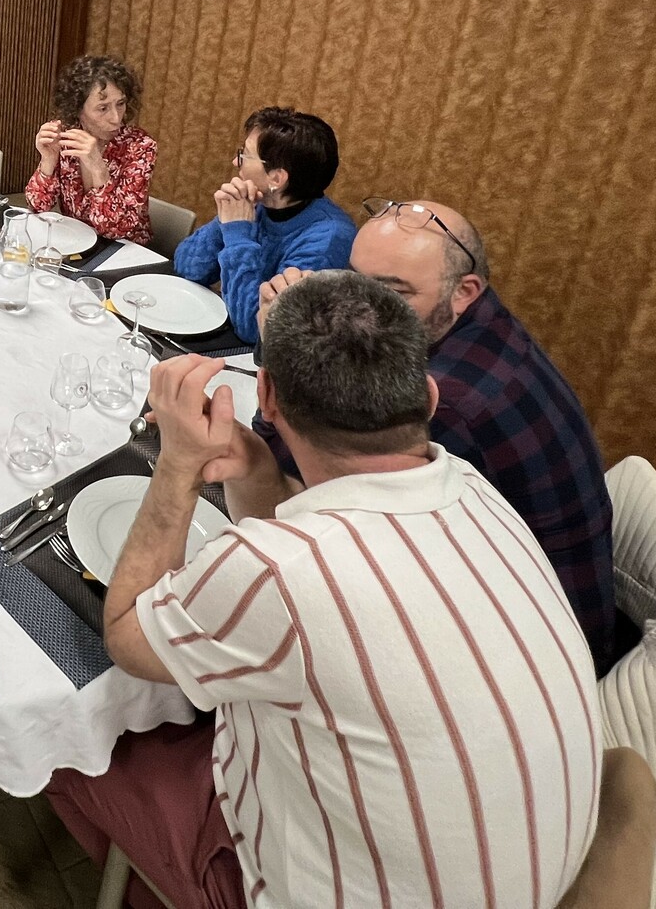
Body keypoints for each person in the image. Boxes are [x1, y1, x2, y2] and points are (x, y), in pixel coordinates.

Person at [48, 270, 601, 908]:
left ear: (266, 396)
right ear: (427, 397)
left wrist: (177, 464)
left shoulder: (278, 571)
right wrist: (256, 468)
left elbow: (128, 635)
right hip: (544, 872)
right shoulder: (474, 488)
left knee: (77, 742)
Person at [254, 198, 620, 674]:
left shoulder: (448, 399)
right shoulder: (474, 325)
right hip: (495, 584)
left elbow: (298, 486)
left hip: (532, 654)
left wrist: (281, 348)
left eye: (391, 292)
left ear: (464, 290)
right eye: (354, 279)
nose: (360, 311)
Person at [173, 106, 356, 344]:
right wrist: (226, 221)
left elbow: (256, 328)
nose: (235, 161)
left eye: (245, 155)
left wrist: (238, 234)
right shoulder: (260, 202)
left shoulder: (327, 239)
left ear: (276, 178)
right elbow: (187, 268)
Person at [25, 55, 159, 246]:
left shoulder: (140, 146)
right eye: (103, 108)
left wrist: (98, 169)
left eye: (120, 104)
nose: (116, 118)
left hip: (124, 249)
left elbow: (115, 229)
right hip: (76, 242)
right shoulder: (65, 135)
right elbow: (37, 206)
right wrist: (48, 159)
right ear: (77, 109)